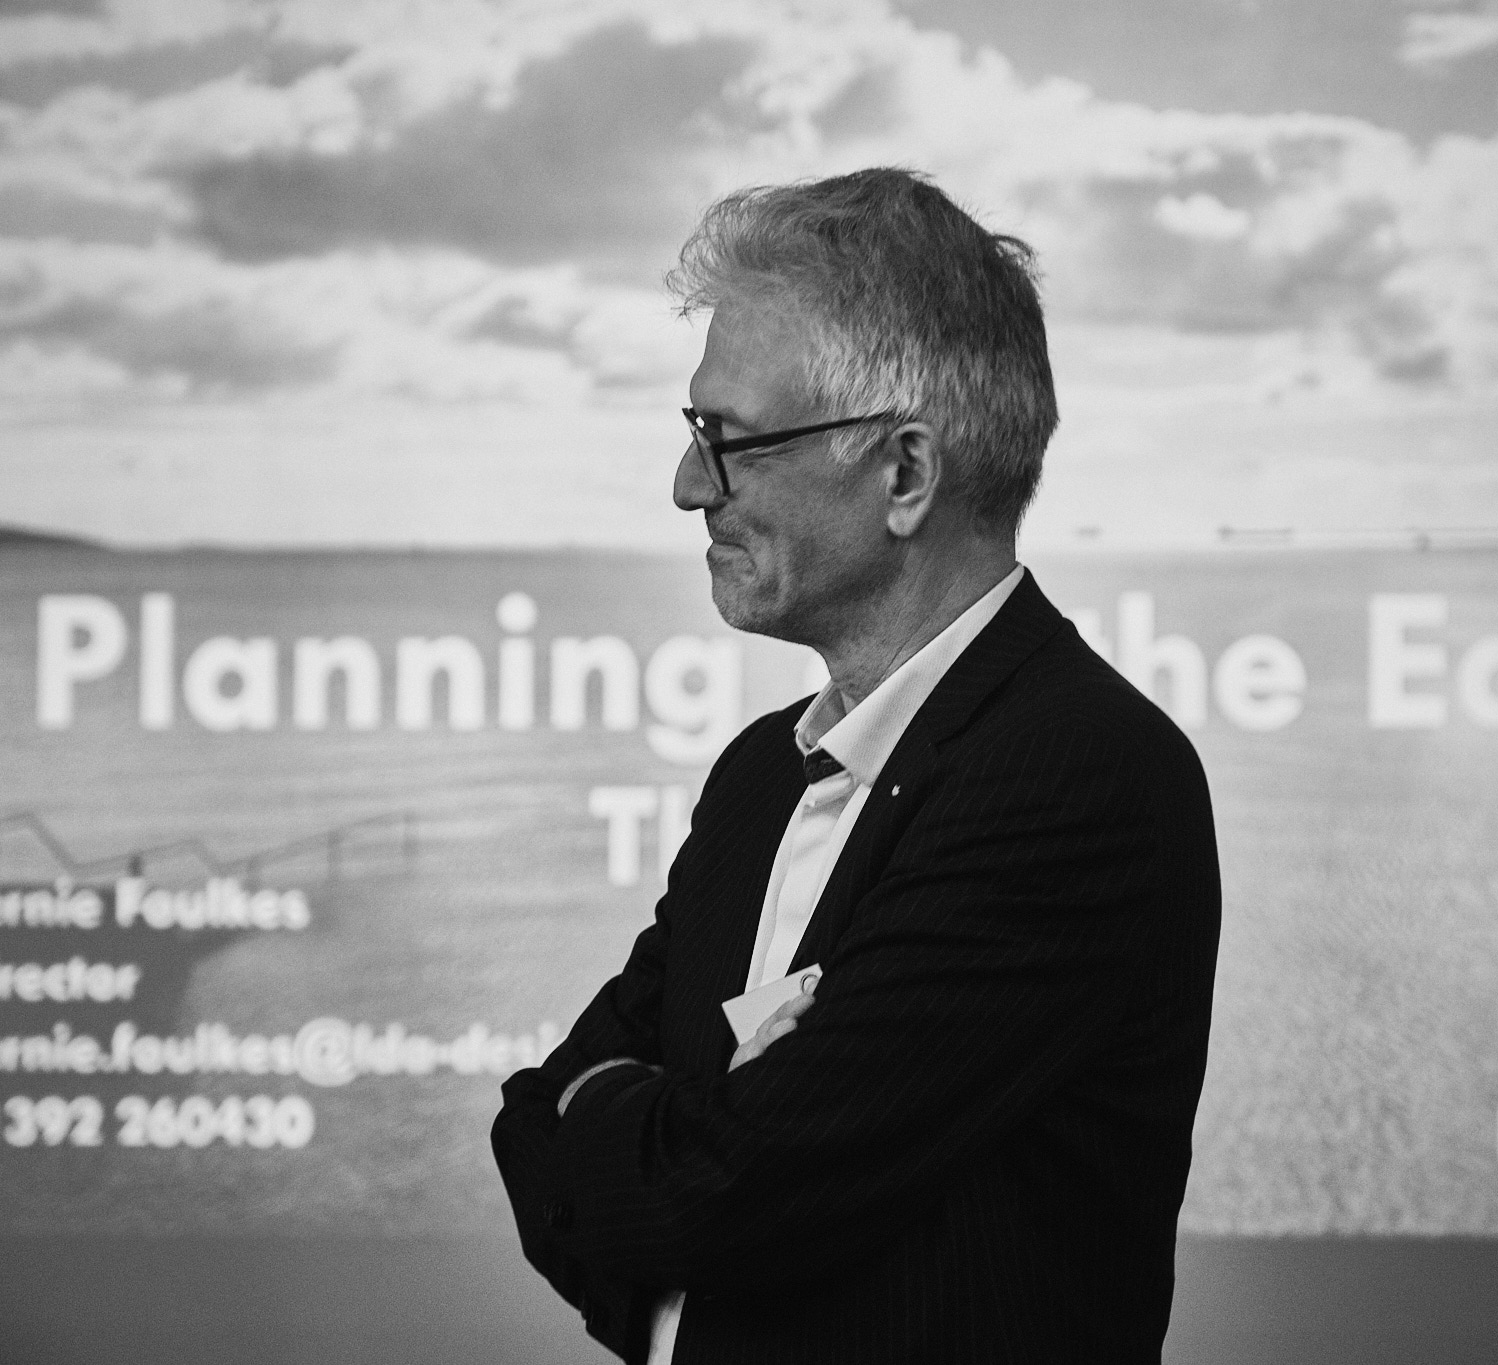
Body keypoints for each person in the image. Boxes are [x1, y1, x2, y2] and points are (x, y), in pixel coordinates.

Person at [492, 167, 1220, 1364]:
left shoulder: (1079, 775)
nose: (686, 486)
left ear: (904, 474)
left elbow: (714, 1196)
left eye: (726, 440)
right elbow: (532, 1123)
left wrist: (629, 1128)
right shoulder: (760, 775)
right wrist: (655, 1134)